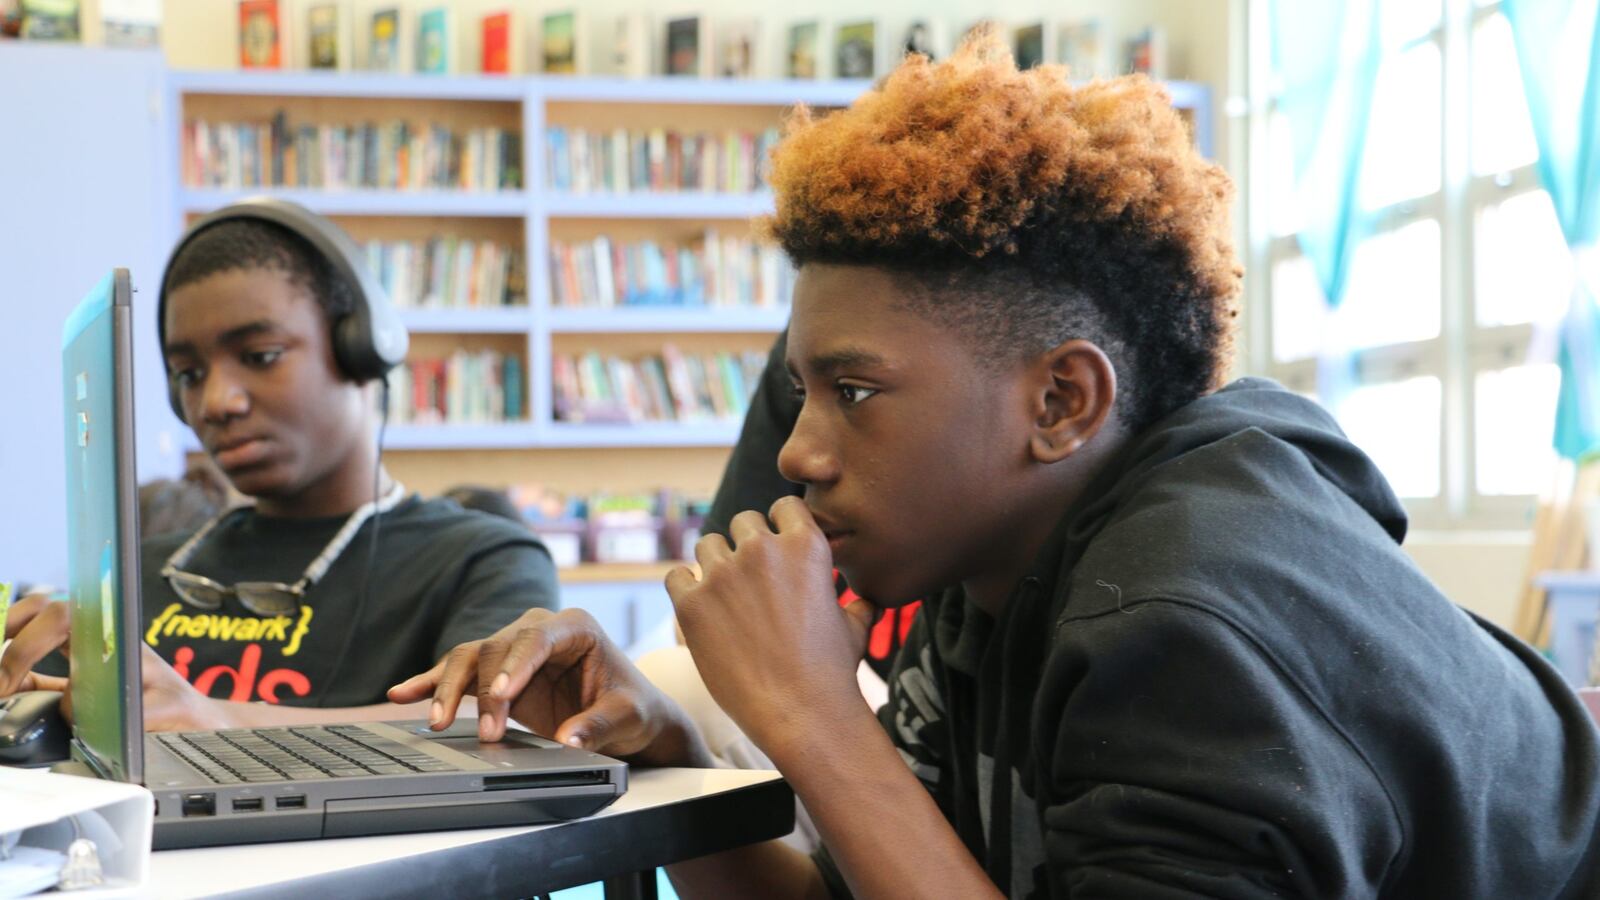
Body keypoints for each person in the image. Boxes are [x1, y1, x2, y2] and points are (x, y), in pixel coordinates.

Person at [391, 33, 1600, 897]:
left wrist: (816, 719)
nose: (801, 452)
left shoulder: (1189, 619)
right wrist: (664, 752)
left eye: (855, 392)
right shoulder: (991, 563)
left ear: (1062, 401)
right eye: (798, 392)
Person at [0, 200, 558, 731]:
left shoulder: (482, 558)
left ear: (360, 348)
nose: (217, 401)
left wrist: (217, 720)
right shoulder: (139, 571)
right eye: (189, 373)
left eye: (260, 356)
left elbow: (486, 719)